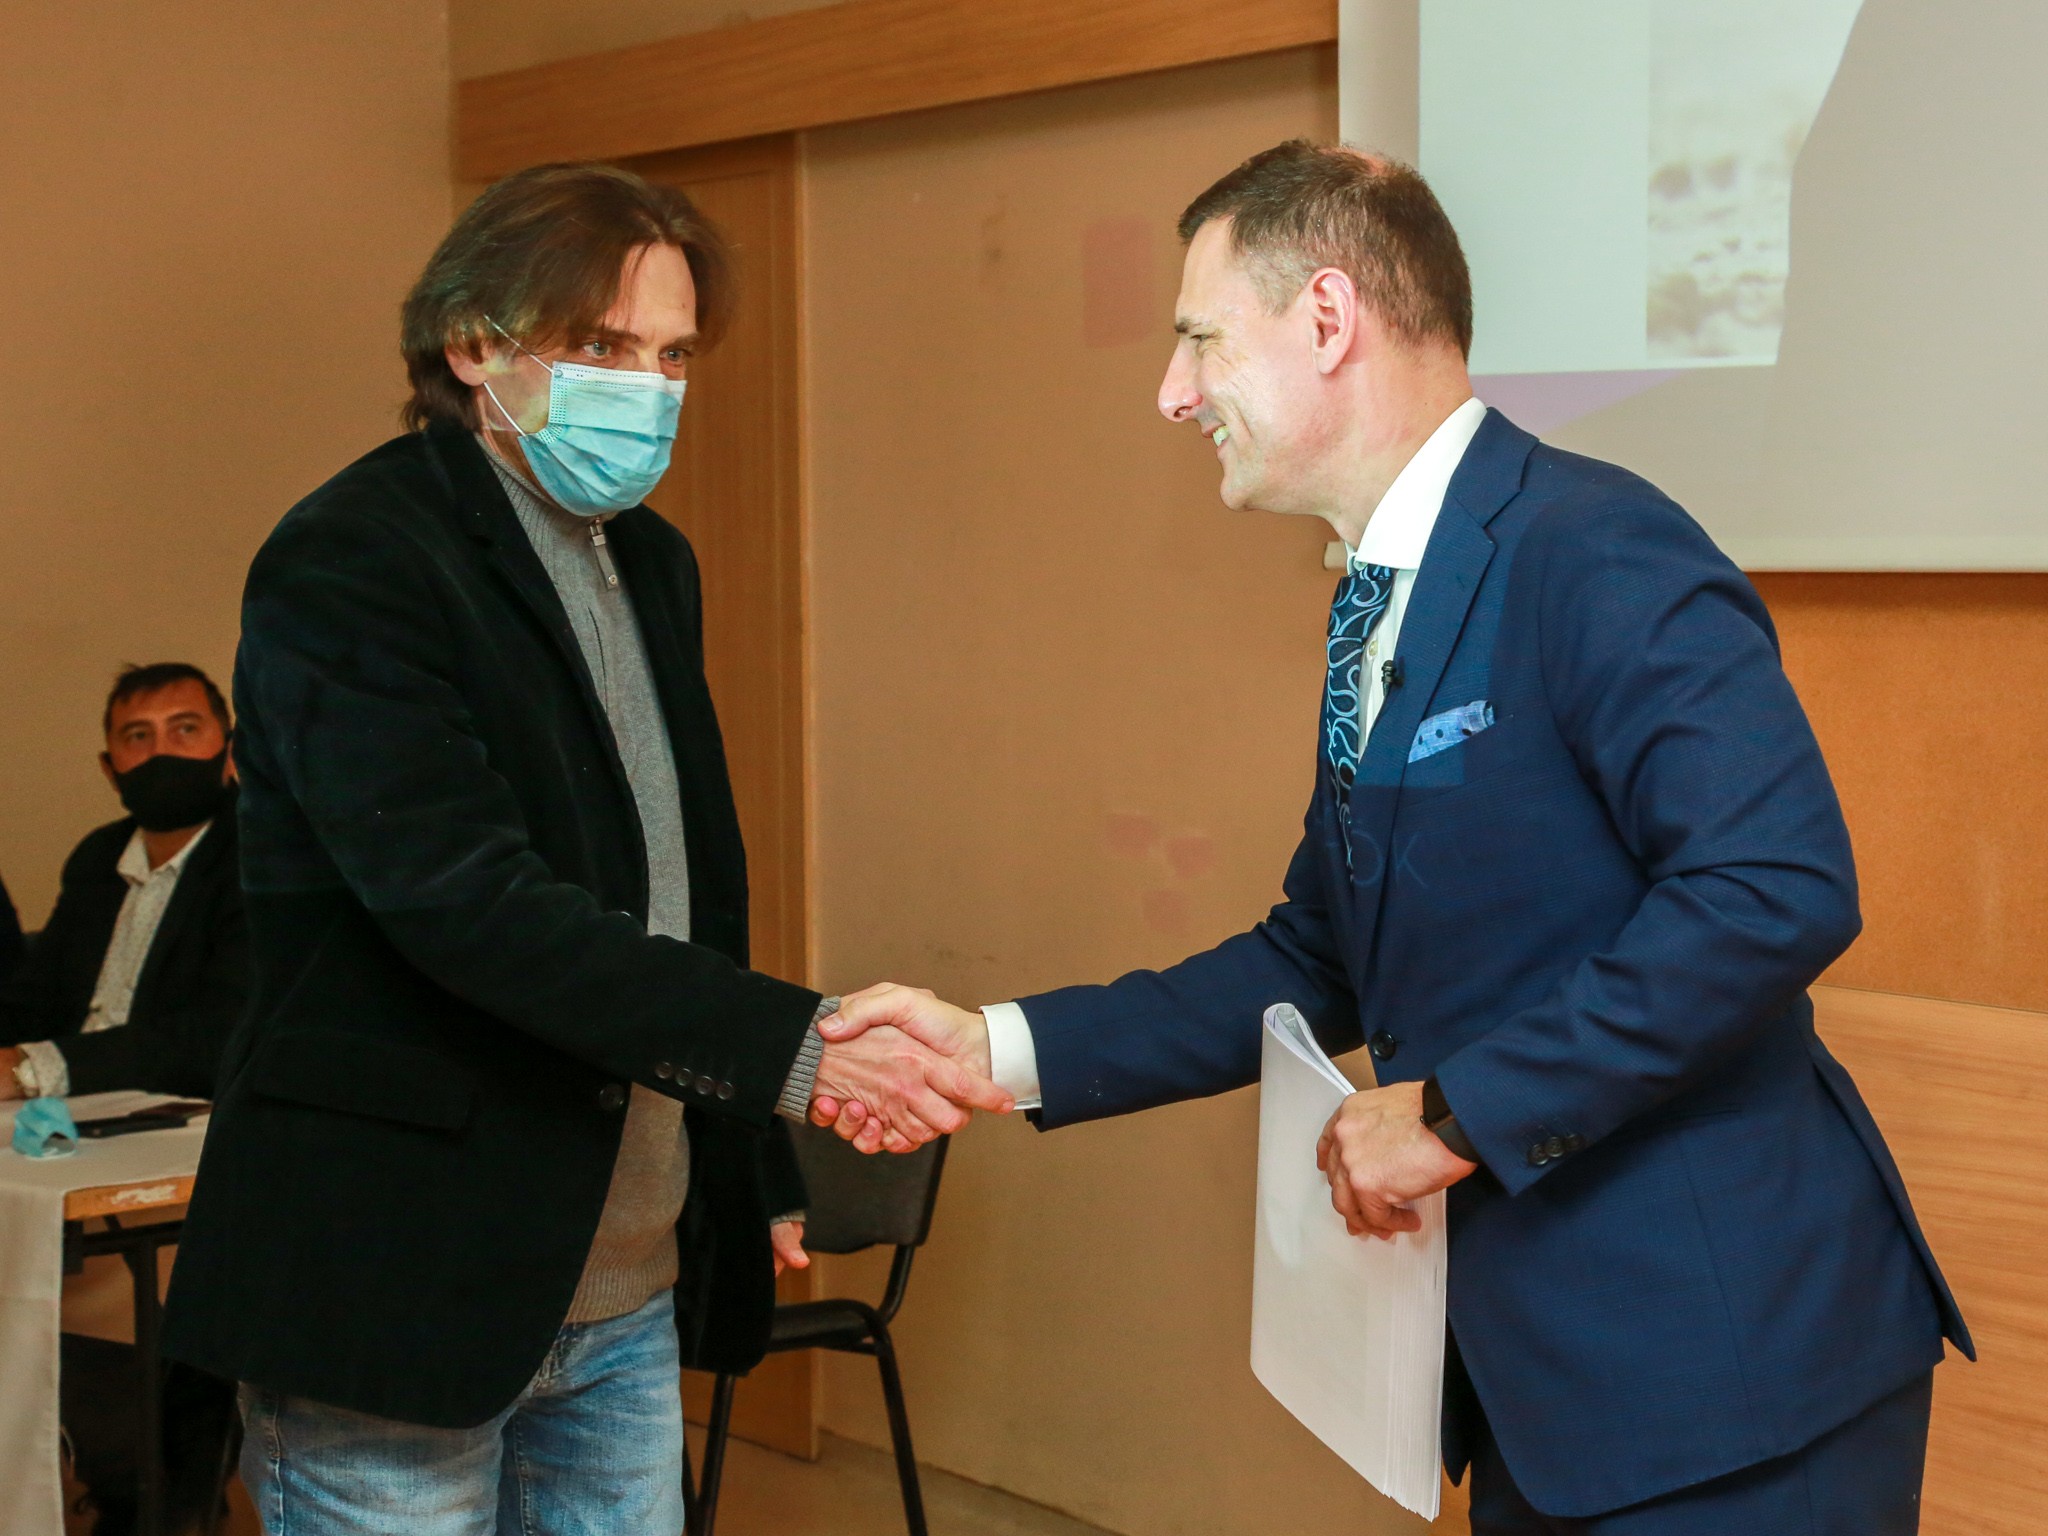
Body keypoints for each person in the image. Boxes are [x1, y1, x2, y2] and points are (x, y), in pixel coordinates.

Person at [817, 142, 1969, 1534]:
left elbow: (1771, 887)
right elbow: (1318, 957)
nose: (1173, 393)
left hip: (1724, 1379)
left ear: (1325, 318)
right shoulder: (1382, 597)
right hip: (1548, 1389)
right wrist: (994, 1049)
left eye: (1197, 339)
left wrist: (1454, 1113)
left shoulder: (1592, 544)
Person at [161, 163, 1009, 1536]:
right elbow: (475, 908)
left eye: (673, 356)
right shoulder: (354, 556)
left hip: (622, 1278)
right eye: (604, 348)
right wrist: (803, 1054)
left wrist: (745, 1162)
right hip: (401, 1276)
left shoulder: (650, 560)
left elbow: (679, 896)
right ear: (471, 342)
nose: (648, 389)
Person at [1, 663, 245, 1101]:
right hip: (66, 1112)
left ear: (231, 752)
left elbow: (224, 1033)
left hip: (191, 1114)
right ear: (110, 770)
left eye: (185, 729)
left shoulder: (266, 856)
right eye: (137, 736)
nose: (161, 752)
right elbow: (33, 1002)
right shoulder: (99, 857)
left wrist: (30, 1069)